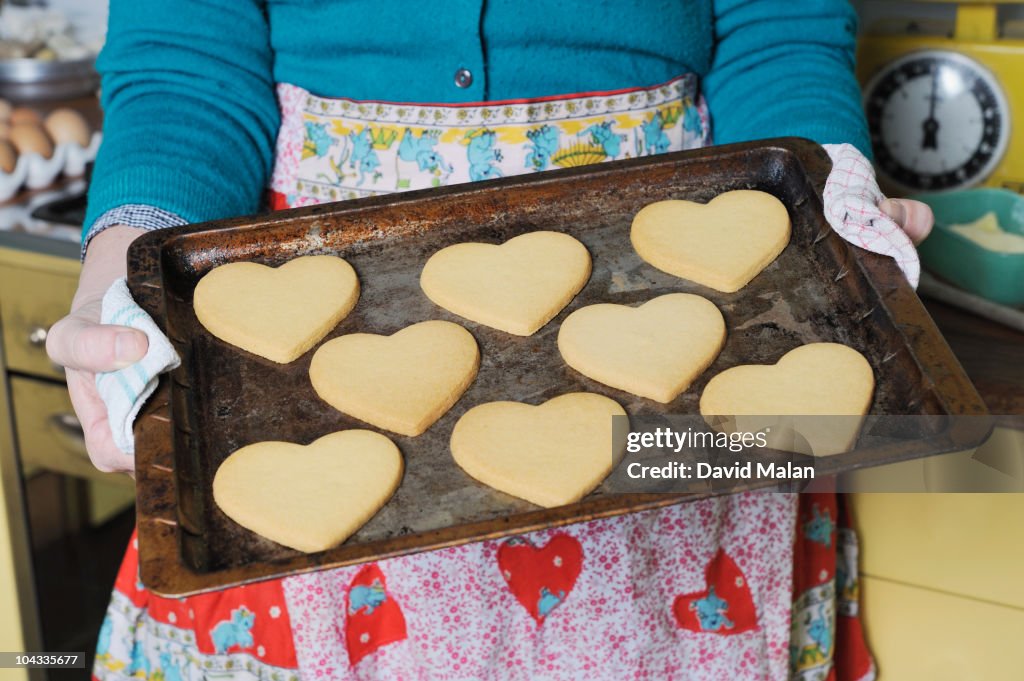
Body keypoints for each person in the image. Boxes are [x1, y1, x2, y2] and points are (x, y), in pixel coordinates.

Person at [46, 2, 934, 679]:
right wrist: (128, 265)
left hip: (678, 278)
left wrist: (825, 177)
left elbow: (776, 26)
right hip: (310, 311)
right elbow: (183, 69)